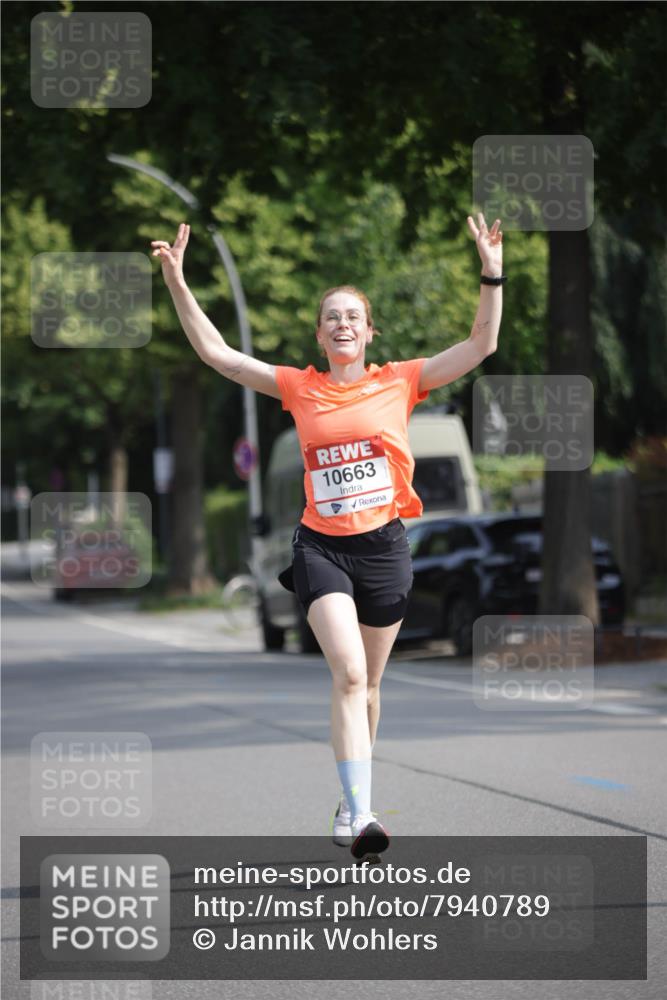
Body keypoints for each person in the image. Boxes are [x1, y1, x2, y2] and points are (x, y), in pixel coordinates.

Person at [152, 213, 503, 861]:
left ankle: (349, 800)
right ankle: (365, 813)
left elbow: (479, 346)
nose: (342, 323)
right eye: (330, 317)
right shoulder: (299, 388)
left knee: (368, 687)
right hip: (321, 548)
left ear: (369, 333)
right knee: (345, 675)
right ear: (319, 336)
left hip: (384, 549)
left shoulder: (401, 380)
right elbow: (217, 355)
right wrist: (176, 280)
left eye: (352, 316)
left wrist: (490, 272)